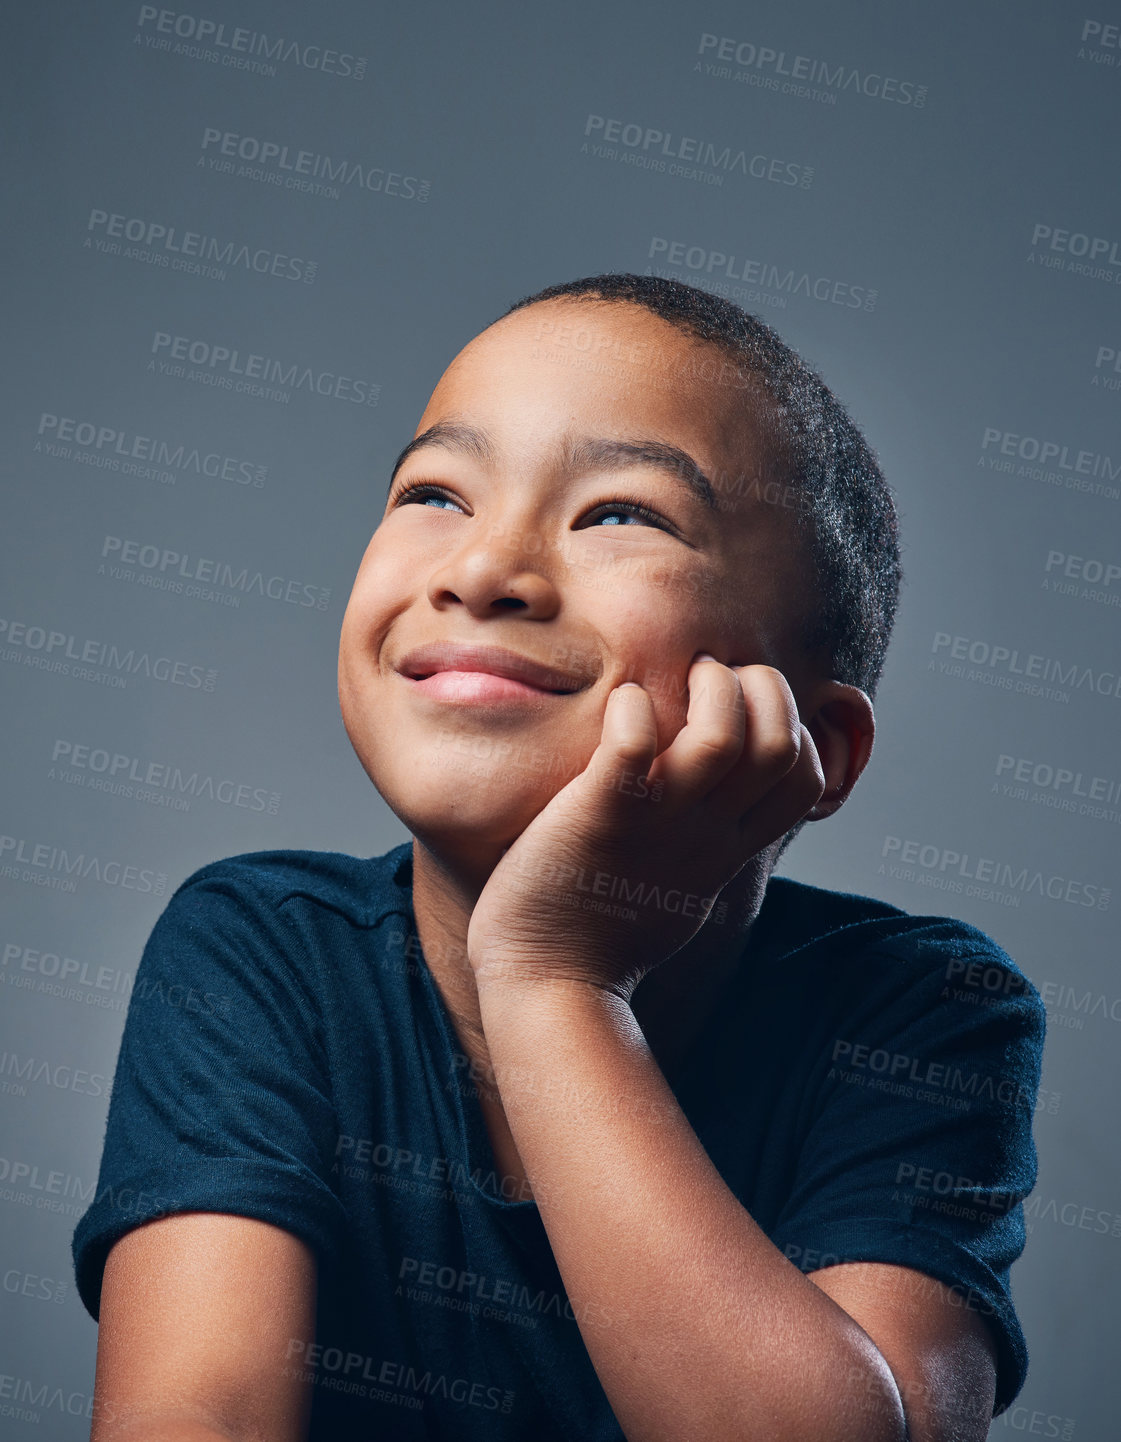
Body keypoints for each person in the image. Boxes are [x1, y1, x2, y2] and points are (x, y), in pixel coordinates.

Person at [71, 273, 1046, 1442]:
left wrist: (554, 978)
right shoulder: (259, 951)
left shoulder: (921, 1011)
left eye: (617, 514)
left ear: (815, 742)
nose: (481, 570)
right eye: (434, 492)